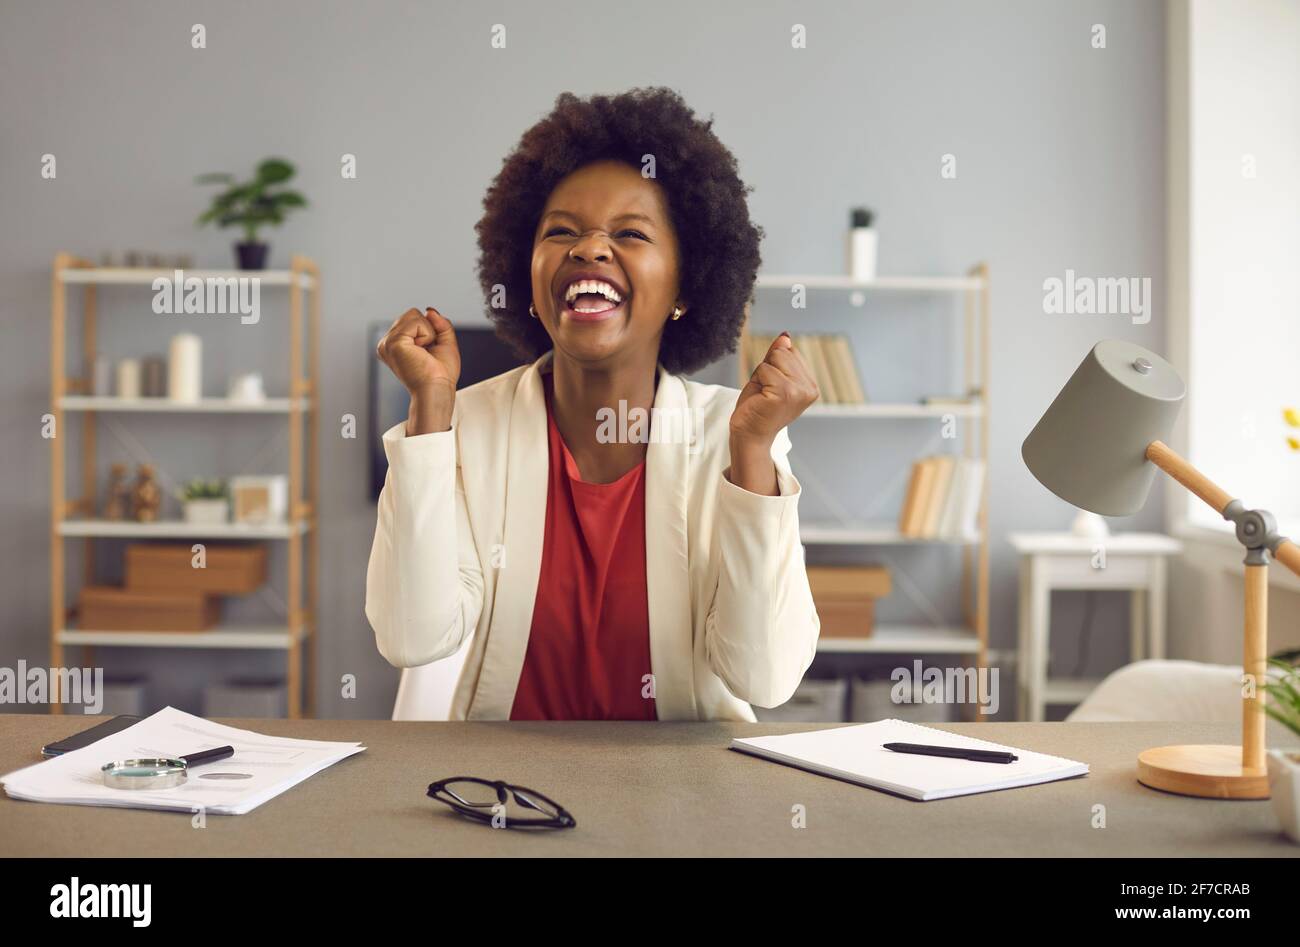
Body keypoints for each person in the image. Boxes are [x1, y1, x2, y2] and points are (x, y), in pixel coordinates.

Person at [367, 87, 820, 721]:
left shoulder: (731, 431)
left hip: (683, 798)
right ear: (526, 276)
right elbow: (414, 637)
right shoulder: (462, 425)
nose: (589, 249)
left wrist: (752, 456)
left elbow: (763, 677)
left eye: (630, 232)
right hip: (504, 798)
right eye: (561, 232)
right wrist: (429, 412)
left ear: (685, 287)